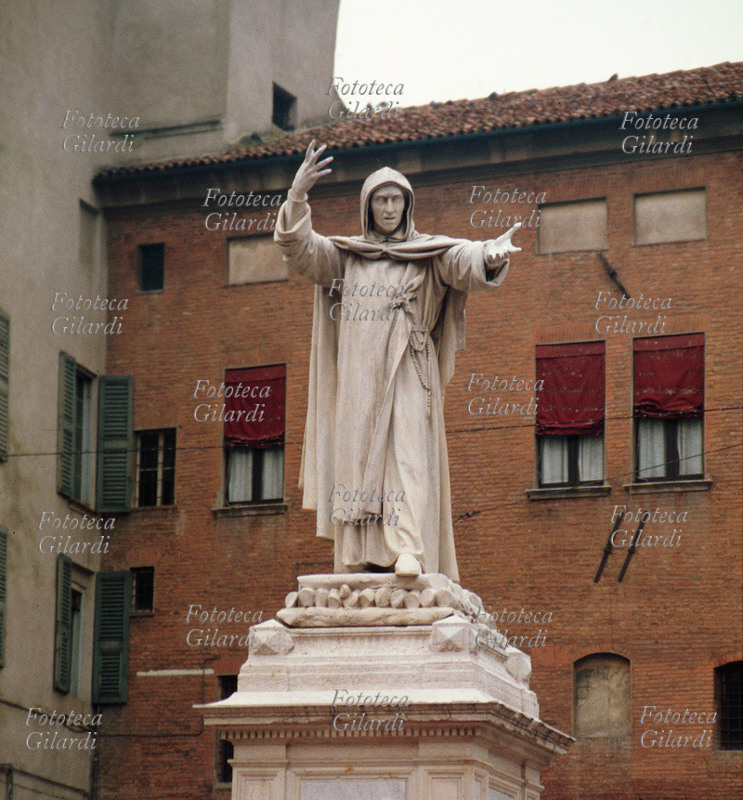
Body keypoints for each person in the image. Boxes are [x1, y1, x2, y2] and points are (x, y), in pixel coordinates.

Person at [275, 141, 520, 581]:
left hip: (410, 366)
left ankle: (407, 546)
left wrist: (488, 254)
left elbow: (461, 259)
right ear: (368, 208)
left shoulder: (428, 252)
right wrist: (297, 197)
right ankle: (364, 553)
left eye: (396, 200)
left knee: (408, 456)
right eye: (381, 200)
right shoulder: (347, 257)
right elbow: (301, 251)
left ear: (408, 206)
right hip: (358, 376)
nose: (389, 208)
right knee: (360, 459)